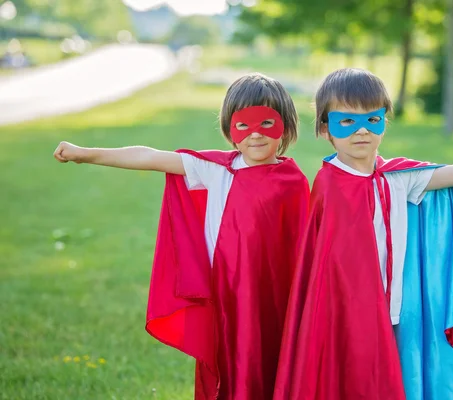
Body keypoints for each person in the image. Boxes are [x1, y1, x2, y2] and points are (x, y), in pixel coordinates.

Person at [274, 68, 453, 400]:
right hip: (344, 316)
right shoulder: (328, 184)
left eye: (372, 120)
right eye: (347, 121)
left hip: (397, 310)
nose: (361, 132)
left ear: (384, 121)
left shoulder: (400, 177)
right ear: (326, 128)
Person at [54, 73, 310, 400]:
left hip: (278, 298)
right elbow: (148, 156)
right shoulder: (217, 170)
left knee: (275, 366)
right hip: (230, 296)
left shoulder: (294, 181)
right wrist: (84, 153)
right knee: (235, 366)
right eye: (243, 125)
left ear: (285, 126)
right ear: (230, 129)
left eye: (266, 123)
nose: (255, 135)